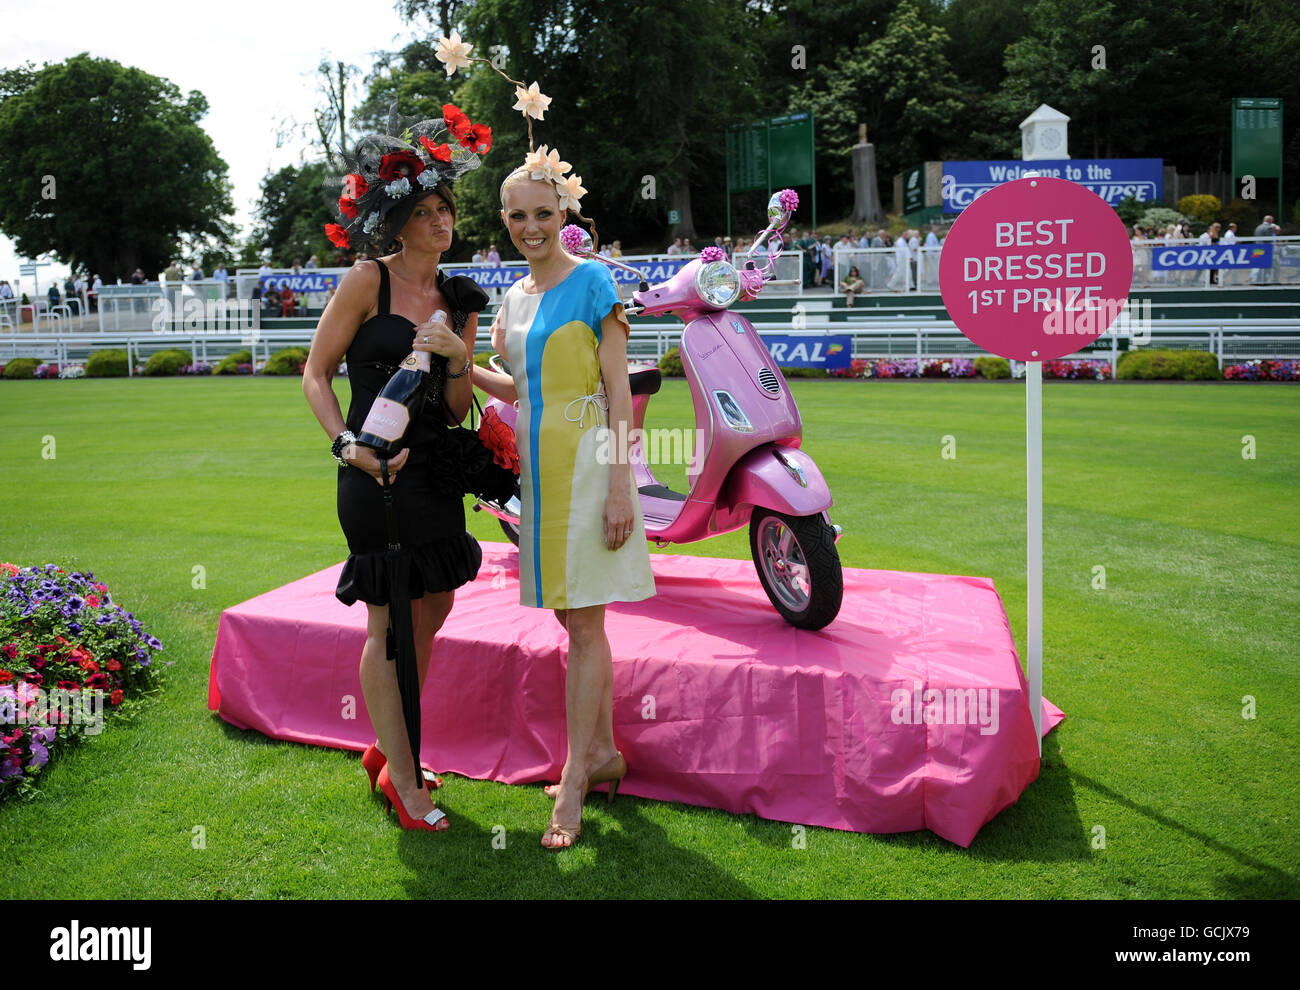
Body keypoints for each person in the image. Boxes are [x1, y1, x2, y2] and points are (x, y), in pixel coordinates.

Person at [303, 103, 493, 834]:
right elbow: (315, 373)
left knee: (436, 603)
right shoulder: (366, 280)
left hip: (433, 468)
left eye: (446, 208)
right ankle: (405, 780)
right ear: (397, 222)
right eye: (425, 210)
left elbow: (454, 406)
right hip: (371, 468)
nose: (441, 221)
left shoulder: (461, 299)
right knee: (388, 619)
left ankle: (389, 747)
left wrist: (457, 358)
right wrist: (343, 444)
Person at [471, 154, 655, 850]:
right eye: (517, 216)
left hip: (586, 470)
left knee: (582, 626)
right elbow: (523, 392)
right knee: (569, 616)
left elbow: (618, 394)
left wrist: (618, 485)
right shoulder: (512, 301)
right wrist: (463, 365)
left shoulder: (595, 282)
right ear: (505, 221)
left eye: (543, 214)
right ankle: (604, 751)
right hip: (537, 479)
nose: (531, 227)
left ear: (563, 215)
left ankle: (575, 775)